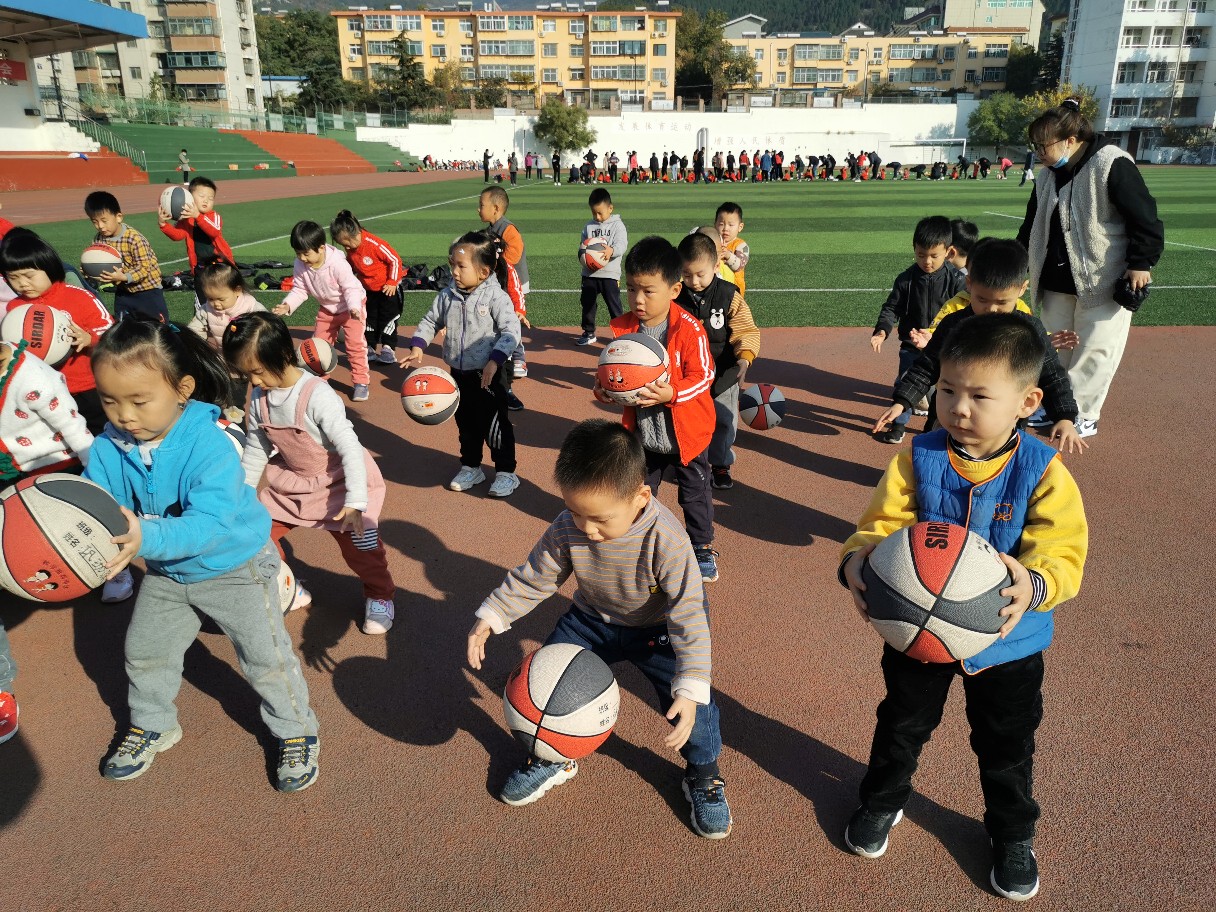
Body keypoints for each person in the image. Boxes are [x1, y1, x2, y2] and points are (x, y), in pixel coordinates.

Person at [840, 313, 1088, 902]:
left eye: (980, 395)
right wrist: (856, 557)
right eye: (947, 390)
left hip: (1009, 643)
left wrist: (1036, 585)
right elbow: (881, 524)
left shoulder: (1044, 471)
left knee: (1007, 747)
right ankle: (882, 801)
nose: (958, 407)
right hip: (916, 635)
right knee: (900, 727)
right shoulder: (917, 456)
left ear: (1028, 402)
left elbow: (1063, 550)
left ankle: (1012, 833)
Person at [85, 317, 320, 791]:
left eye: (138, 401)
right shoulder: (108, 446)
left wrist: (143, 538)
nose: (123, 415)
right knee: (145, 652)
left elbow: (209, 524)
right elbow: (99, 502)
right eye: (109, 401)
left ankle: (296, 731)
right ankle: (153, 723)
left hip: (236, 567)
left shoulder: (209, 444)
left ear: (182, 389)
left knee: (266, 658)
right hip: (169, 573)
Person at [466, 419, 731, 837]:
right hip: (590, 622)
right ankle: (554, 755)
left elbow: (690, 613)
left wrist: (692, 682)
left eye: (600, 519)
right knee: (548, 682)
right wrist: (494, 614)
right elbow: (537, 576)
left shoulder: (667, 540)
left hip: (657, 631)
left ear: (641, 496)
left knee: (693, 707)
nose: (587, 529)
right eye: (576, 512)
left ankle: (704, 772)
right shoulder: (568, 526)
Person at [224, 312, 397, 635]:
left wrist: (356, 501)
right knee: (255, 533)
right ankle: (286, 585)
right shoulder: (260, 397)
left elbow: (349, 447)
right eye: (247, 375)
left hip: (340, 484)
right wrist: (242, 494)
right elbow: (257, 447)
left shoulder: (316, 395)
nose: (254, 382)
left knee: (362, 547)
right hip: (294, 483)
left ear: (283, 355)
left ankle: (380, 594)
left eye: (257, 372)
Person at [1015, 97, 1164, 441]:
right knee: (1055, 345)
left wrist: (1141, 262)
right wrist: (1018, 264)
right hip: (1055, 276)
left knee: (1095, 347)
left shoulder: (1111, 163)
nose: (1038, 152)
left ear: (1070, 140)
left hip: (1102, 276)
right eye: (1034, 145)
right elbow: (1031, 224)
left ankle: (1082, 413)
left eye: (1043, 145)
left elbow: (1145, 216)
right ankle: (1053, 404)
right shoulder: (1046, 176)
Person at [874, 238, 1085, 455]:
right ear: (969, 284)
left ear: (1022, 288)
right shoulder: (954, 325)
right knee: (936, 460)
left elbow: (1052, 376)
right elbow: (927, 366)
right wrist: (903, 401)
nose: (991, 309)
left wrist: (1064, 417)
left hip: (1004, 427)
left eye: (1002, 302)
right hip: (949, 422)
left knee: (999, 469)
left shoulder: (1030, 330)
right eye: (982, 299)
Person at [595, 236, 719, 583]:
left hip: (686, 436)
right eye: (632, 288)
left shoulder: (689, 329)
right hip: (645, 434)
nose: (638, 299)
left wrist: (672, 393)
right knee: (637, 492)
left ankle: (701, 547)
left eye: (648, 291)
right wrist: (606, 389)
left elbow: (704, 376)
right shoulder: (624, 328)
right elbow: (615, 371)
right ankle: (637, 541)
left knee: (694, 495)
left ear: (674, 290)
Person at [400, 231, 521, 498]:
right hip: (458, 374)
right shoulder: (447, 296)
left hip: (489, 373)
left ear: (483, 272)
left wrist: (495, 360)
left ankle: (505, 472)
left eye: (461, 266)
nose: (454, 271)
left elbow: (511, 331)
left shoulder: (496, 297)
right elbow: (431, 321)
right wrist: (418, 345)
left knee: (495, 425)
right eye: (452, 264)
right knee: (466, 424)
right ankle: (471, 467)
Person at [0, 227, 114, 438]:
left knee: (101, 433)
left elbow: (109, 327)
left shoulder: (78, 296)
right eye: (13, 278)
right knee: (61, 438)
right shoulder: (15, 308)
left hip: (87, 386)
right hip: (44, 392)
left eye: (29, 276)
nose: (22, 283)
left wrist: (89, 338)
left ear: (49, 268)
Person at [676, 232, 760, 492]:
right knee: (687, 420)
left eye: (700, 274)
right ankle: (689, 461)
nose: (693, 281)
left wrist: (745, 358)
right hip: (688, 374)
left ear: (715, 266)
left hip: (723, 373)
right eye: (687, 274)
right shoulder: (674, 295)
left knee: (724, 420)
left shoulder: (728, 295)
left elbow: (746, 329)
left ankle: (721, 464)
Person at [870, 216, 966, 443]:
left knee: (941, 390)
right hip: (911, 346)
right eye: (921, 255)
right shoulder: (906, 279)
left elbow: (963, 313)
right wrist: (882, 330)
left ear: (948, 252)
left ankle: (931, 427)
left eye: (934, 256)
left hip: (943, 348)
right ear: (914, 249)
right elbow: (891, 307)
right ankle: (898, 425)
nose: (927, 261)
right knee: (905, 383)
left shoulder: (956, 280)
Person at [274, 220, 370, 403]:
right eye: (298, 253)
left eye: (306, 253)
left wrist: (354, 307)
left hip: (352, 308)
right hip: (327, 309)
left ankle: (361, 382)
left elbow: (350, 288)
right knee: (318, 346)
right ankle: (320, 380)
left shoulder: (337, 264)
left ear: (321, 248)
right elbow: (300, 289)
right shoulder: (300, 264)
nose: (302, 258)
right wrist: (287, 305)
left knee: (355, 345)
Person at [188, 261, 266, 419]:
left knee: (261, 395)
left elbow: (267, 328)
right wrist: (193, 344)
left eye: (221, 299)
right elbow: (195, 329)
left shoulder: (251, 307)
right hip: (227, 364)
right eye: (210, 298)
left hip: (251, 362)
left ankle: (260, 420)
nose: (215, 304)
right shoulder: (207, 309)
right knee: (229, 401)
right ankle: (231, 423)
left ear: (237, 290)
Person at [478, 186, 530, 409]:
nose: (478, 209)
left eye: (481, 205)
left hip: (512, 284)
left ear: (496, 208)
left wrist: (496, 260)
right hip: (498, 286)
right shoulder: (488, 231)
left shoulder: (508, 229)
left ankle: (518, 358)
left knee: (512, 324)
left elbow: (514, 255)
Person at [329, 209, 403, 366]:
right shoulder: (351, 249)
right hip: (367, 290)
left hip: (387, 290)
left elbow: (395, 260)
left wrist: (392, 282)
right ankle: (369, 347)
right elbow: (351, 265)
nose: (347, 247)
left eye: (348, 243)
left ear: (356, 233)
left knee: (388, 318)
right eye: (343, 245)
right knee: (369, 319)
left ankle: (388, 348)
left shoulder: (374, 244)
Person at [83, 191, 169, 322]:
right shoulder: (99, 240)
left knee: (156, 328)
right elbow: (97, 262)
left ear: (118, 217)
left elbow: (144, 269)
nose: (100, 226)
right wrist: (88, 270)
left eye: (104, 221)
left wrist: (124, 277)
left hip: (148, 292)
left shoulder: (134, 239)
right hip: (123, 292)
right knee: (123, 328)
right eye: (95, 222)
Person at [576, 188, 628, 347]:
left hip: (610, 274)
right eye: (594, 213)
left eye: (600, 213)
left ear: (610, 208)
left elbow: (622, 245)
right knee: (587, 304)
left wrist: (612, 250)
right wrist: (584, 255)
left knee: (614, 305)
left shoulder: (618, 226)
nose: (597, 217)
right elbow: (583, 246)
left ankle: (620, 334)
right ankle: (589, 332)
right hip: (589, 274)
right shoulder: (588, 226)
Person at [715, 202, 750, 297]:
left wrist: (728, 255)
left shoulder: (741, 245)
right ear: (715, 224)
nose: (725, 228)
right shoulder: (712, 242)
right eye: (721, 224)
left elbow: (739, 265)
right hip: (716, 287)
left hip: (734, 290)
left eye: (731, 225)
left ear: (740, 227)